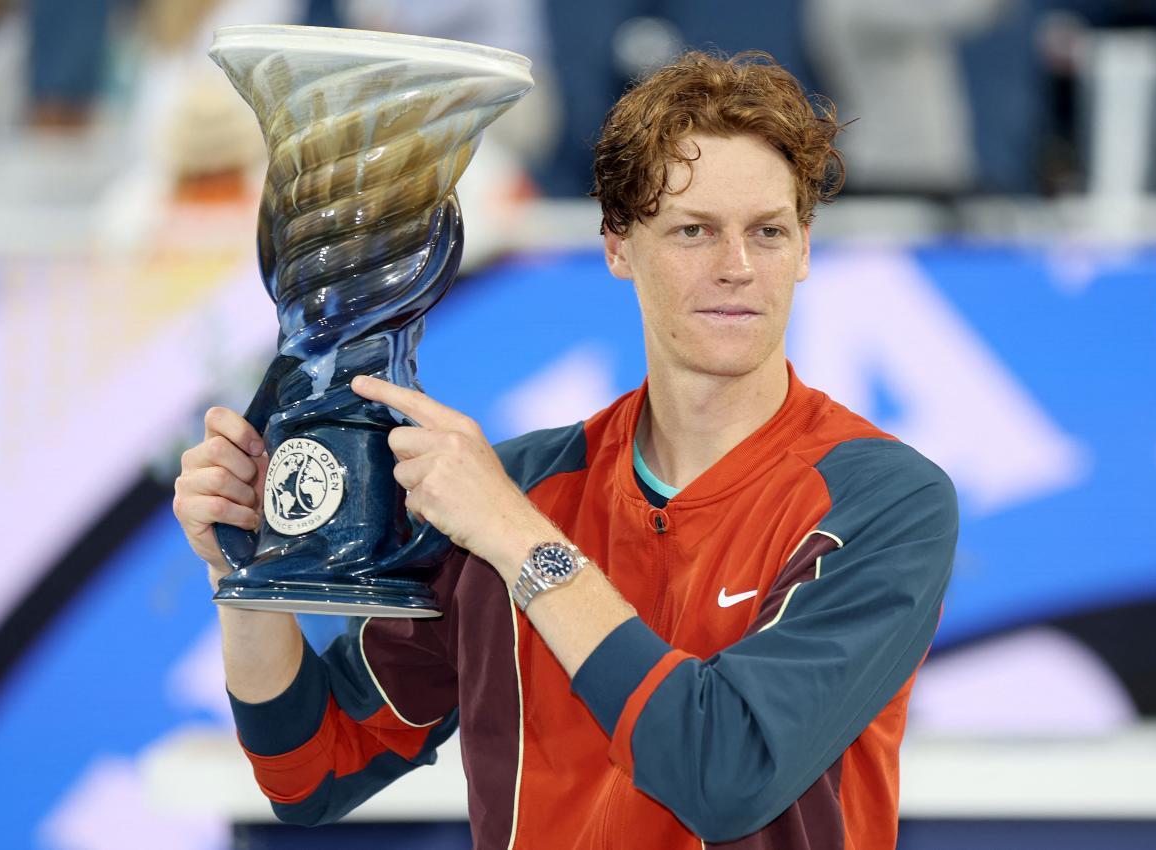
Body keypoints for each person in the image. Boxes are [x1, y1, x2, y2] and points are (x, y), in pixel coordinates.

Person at [172, 50, 958, 849]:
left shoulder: (880, 498)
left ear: (804, 249)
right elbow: (312, 772)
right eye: (693, 231)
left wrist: (518, 541)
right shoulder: (519, 488)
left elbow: (725, 773)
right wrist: (244, 570)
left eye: (767, 231)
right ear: (617, 245)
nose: (737, 267)